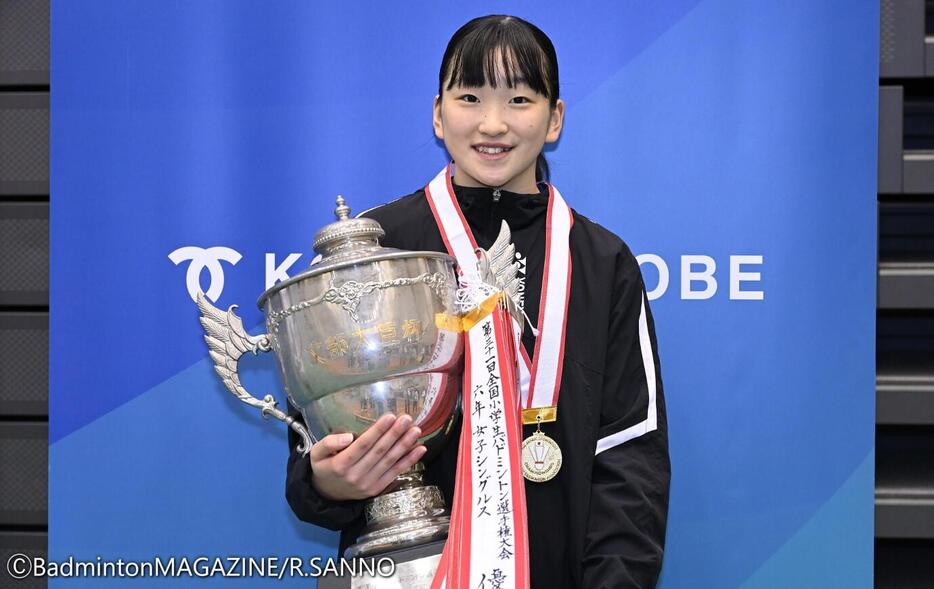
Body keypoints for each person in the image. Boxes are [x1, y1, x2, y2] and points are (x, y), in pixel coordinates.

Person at [286, 14, 670, 589]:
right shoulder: (377, 248)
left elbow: (629, 459)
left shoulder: (601, 261)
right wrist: (327, 483)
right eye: (470, 96)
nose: (493, 123)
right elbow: (314, 441)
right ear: (438, 114)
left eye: (519, 98)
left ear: (555, 118)